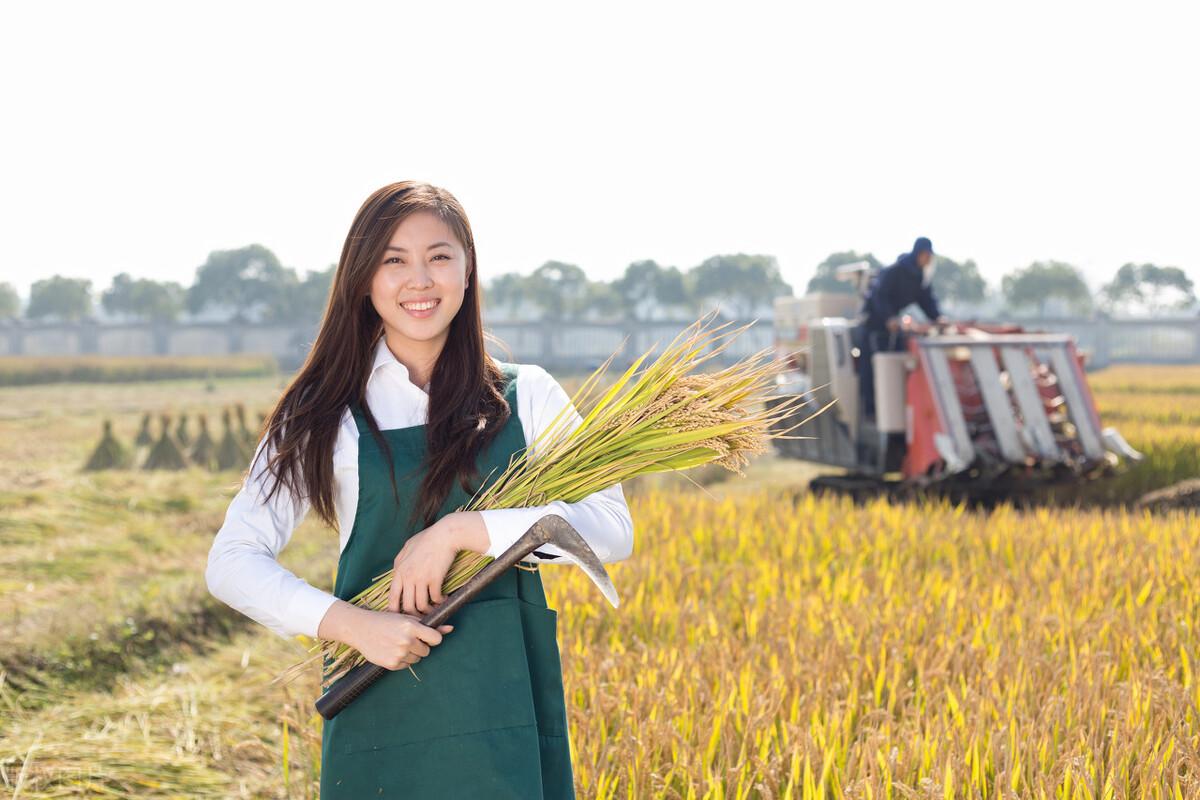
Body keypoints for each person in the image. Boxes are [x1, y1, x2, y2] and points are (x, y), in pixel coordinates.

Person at [204, 181, 635, 799]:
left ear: (467, 271)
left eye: (439, 256)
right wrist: (353, 627)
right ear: (363, 279)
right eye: (393, 260)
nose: (420, 280)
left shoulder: (528, 395)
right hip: (380, 697)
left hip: (504, 699)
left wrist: (462, 531)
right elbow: (231, 562)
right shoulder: (321, 411)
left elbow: (611, 530)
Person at [856, 237, 949, 418]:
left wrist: (938, 317)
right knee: (871, 368)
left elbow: (927, 300)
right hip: (874, 326)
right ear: (920, 254)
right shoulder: (894, 271)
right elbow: (879, 296)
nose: (929, 260)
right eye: (927, 256)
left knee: (897, 364)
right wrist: (889, 317)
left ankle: (897, 409)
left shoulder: (919, 277)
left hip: (892, 328)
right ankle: (871, 412)